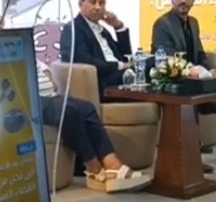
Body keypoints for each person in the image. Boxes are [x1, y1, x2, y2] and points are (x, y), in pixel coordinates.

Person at [151, 0, 216, 147]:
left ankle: (215, 125)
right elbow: (167, 59)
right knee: (195, 86)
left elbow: (199, 54)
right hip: (173, 77)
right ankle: (205, 117)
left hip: (194, 74)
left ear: (193, 1)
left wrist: (210, 71)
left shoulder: (193, 22)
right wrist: (191, 71)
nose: (183, 0)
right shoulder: (163, 24)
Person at [37, 61, 151, 193]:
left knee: (87, 108)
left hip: (50, 96)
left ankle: (112, 163)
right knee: (68, 112)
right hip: (33, 100)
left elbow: (40, 65)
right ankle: (93, 167)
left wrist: (46, 74)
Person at [58, 0, 132, 99]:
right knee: (149, 68)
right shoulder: (74, 29)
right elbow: (86, 62)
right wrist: (121, 65)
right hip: (102, 83)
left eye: (101, 3)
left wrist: (118, 26)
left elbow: (125, 56)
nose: (98, 7)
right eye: (93, 2)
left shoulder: (102, 30)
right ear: (80, 4)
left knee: (152, 65)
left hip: (119, 76)